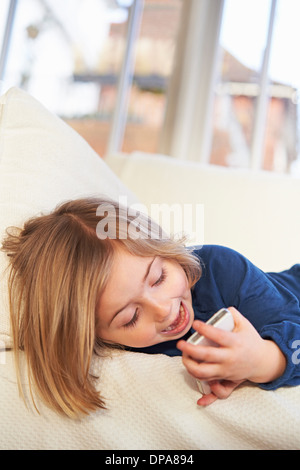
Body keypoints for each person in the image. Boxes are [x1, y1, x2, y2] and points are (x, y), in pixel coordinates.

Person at [1, 197, 300, 418]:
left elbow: (293, 330)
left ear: (167, 251)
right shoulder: (120, 348)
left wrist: (264, 361)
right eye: (130, 318)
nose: (163, 310)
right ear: (96, 334)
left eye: (159, 278)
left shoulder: (223, 268)